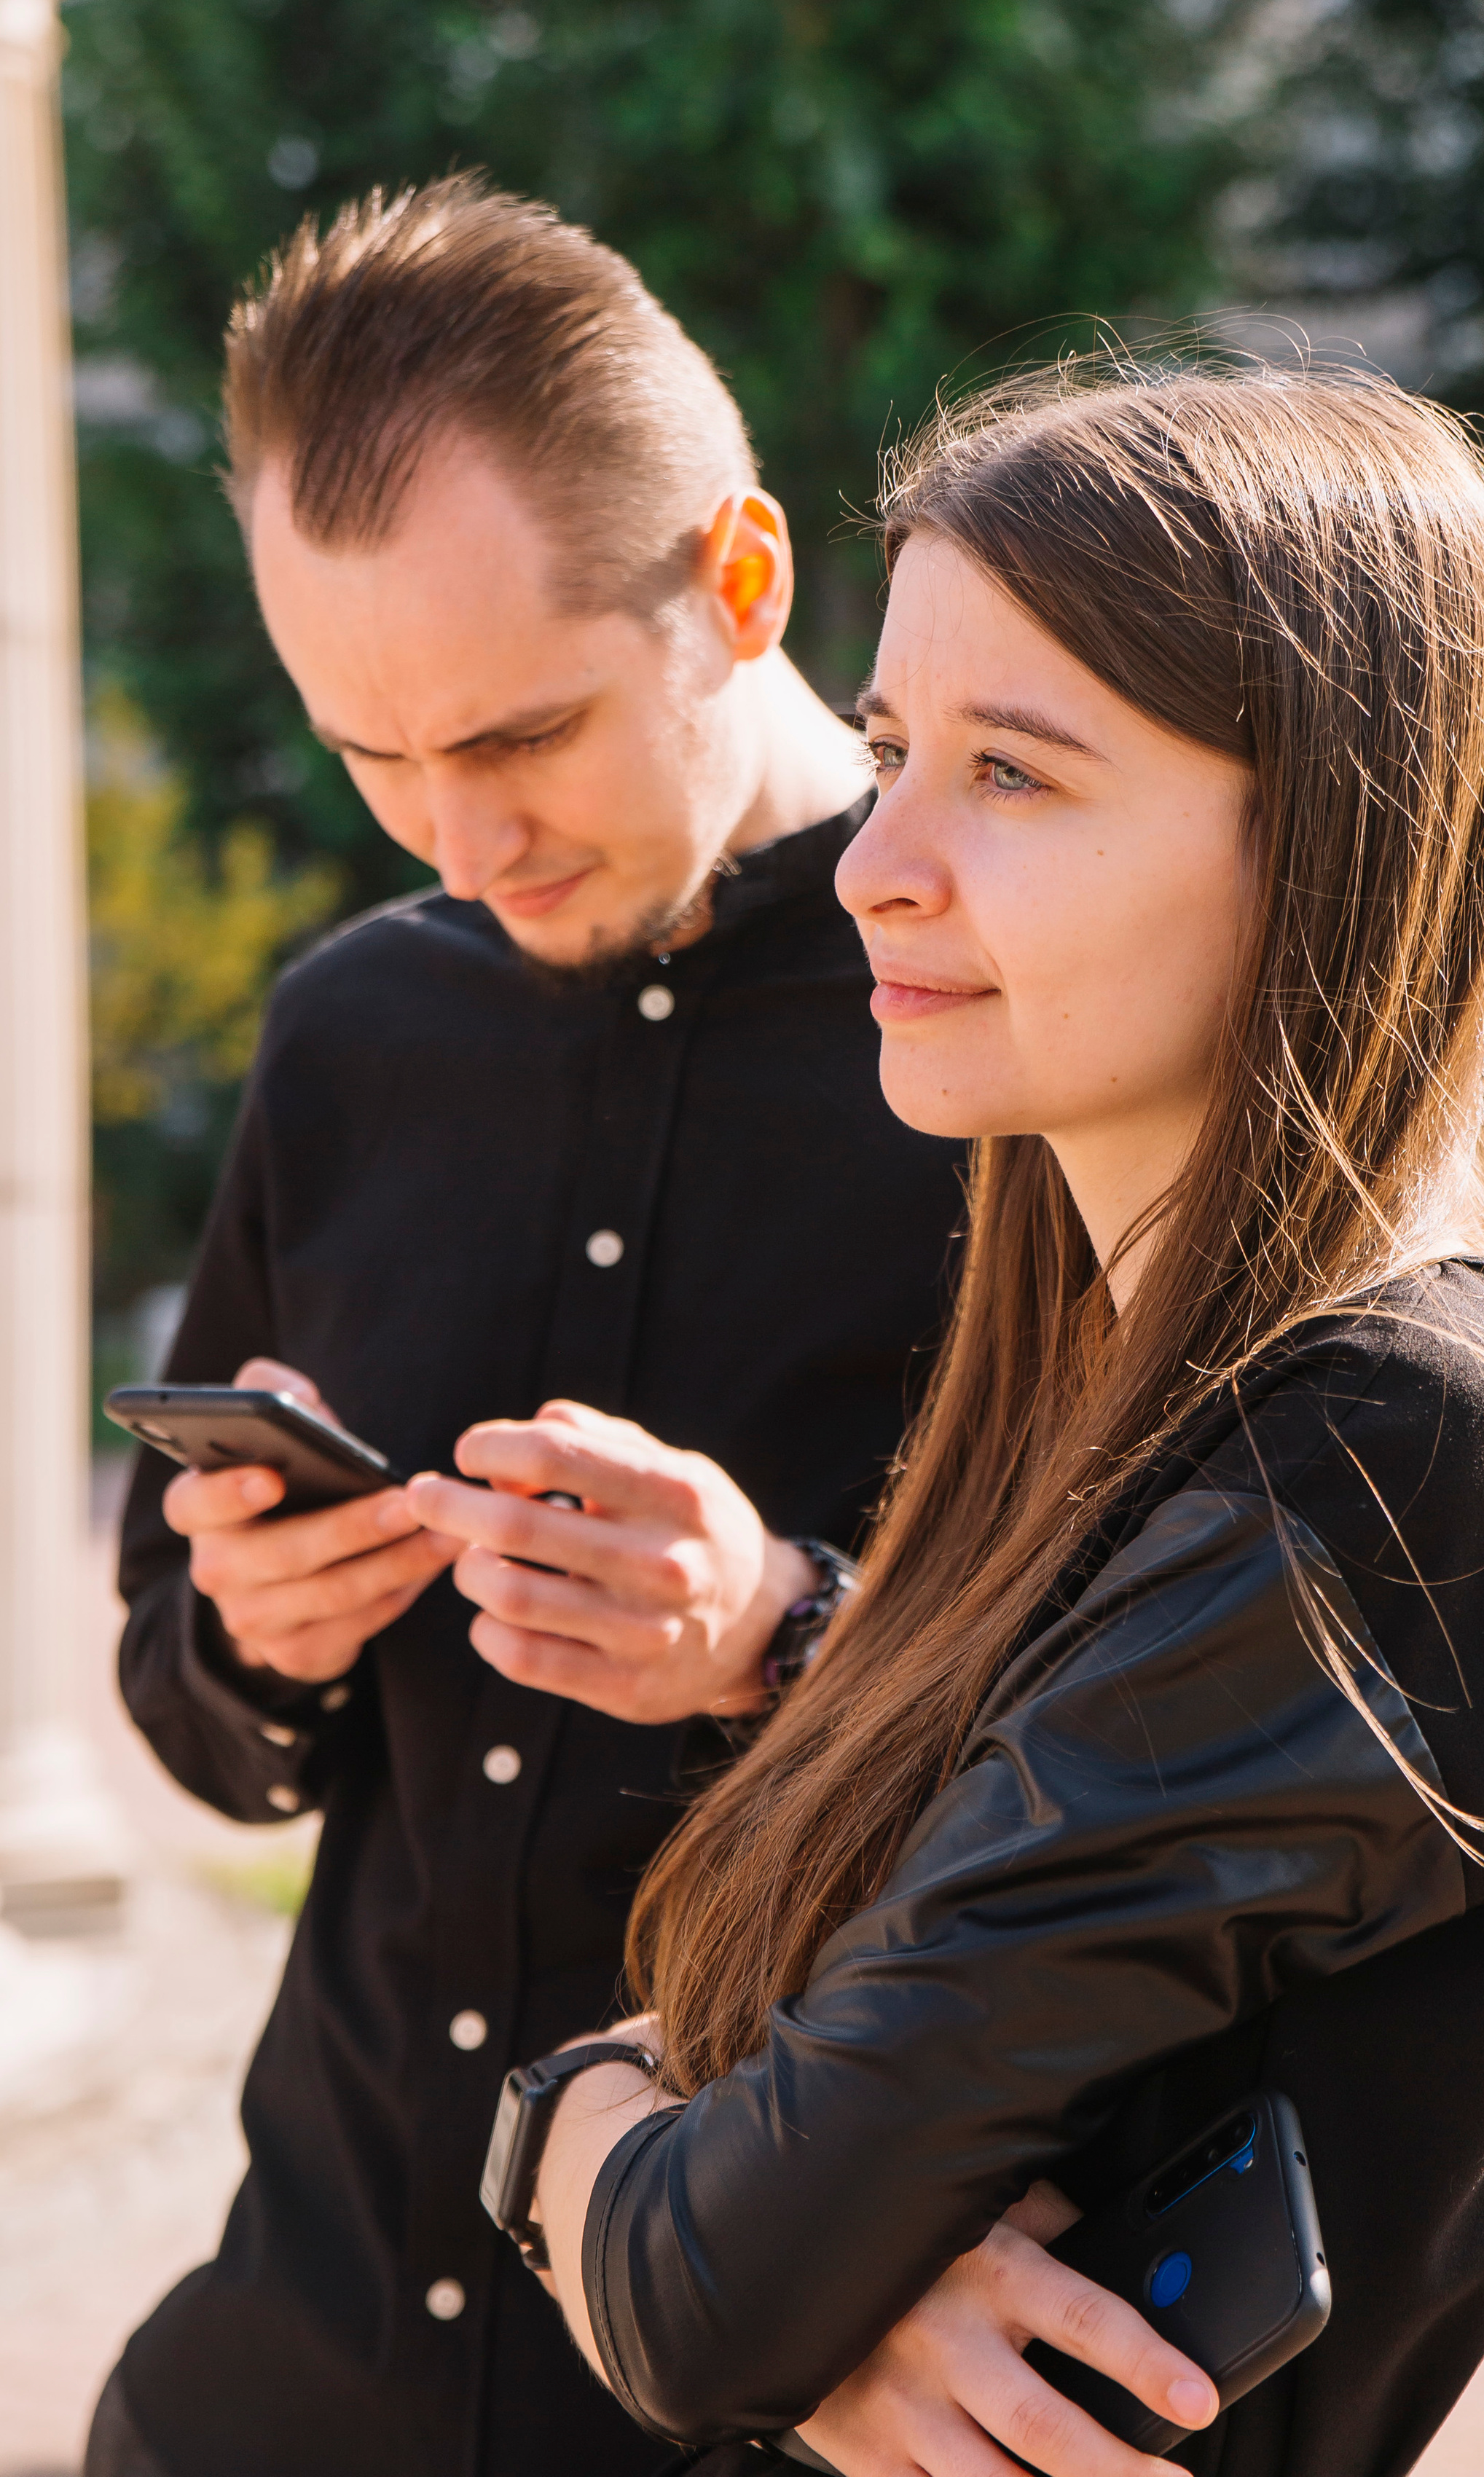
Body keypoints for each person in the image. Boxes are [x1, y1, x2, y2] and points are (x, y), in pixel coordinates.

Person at [415, 362, 1484, 2477]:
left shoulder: (1408, 1451)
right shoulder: (1143, 1380)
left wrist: (571, 2122)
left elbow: (717, 2293)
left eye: (1013, 771)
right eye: (892, 746)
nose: (870, 864)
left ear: (1333, 839)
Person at [92, 178, 969, 2477]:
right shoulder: (350, 1032)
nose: (456, 843)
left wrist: (792, 1631)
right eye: (376, 756)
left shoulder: (1010, 1039)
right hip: (296, 2350)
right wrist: (252, 1632)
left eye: (520, 736)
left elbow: (1193, 1757)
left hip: (771, 2392)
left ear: (743, 585)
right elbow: (189, 1725)